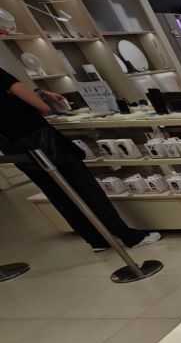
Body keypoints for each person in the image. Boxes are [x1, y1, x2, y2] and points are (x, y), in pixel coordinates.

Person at [0, 69, 159, 252]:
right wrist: (38, 99)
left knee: (59, 196)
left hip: (16, 149)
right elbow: (43, 108)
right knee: (86, 190)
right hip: (44, 142)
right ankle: (128, 236)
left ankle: (96, 241)